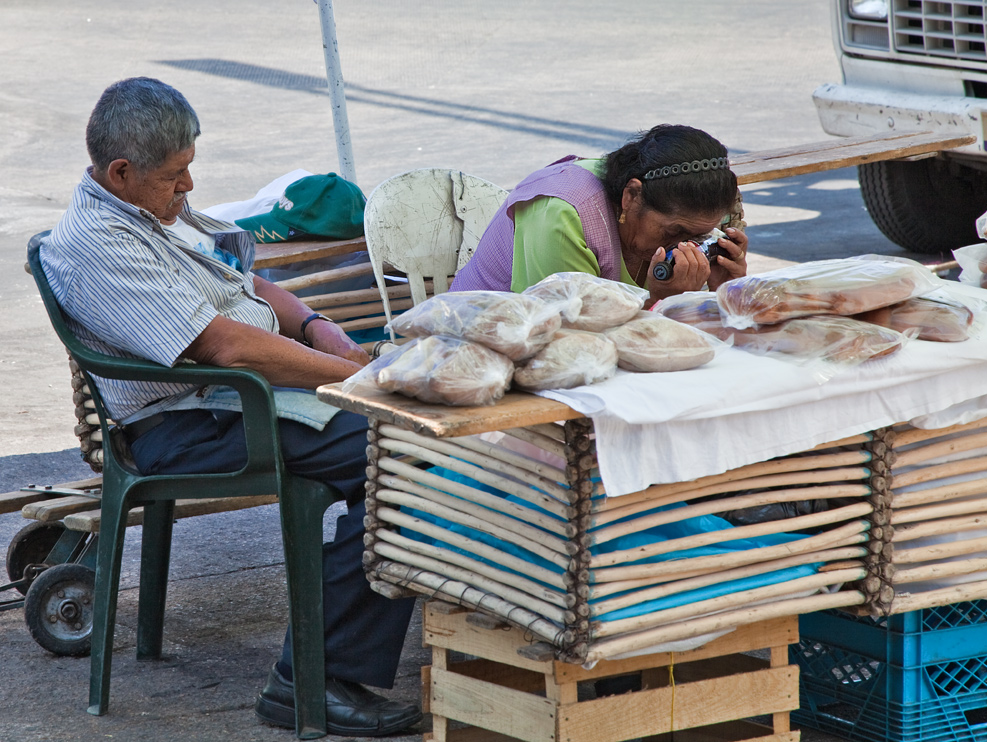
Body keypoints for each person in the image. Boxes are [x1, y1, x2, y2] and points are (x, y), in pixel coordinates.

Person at [40, 77, 421, 738]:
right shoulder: (100, 245)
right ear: (122, 172)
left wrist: (319, 327)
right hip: (189, 426)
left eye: (190, 170)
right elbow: (226, 347)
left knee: (413, 448)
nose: (188, 188)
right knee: (404, 456)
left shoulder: (147, 209)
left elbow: (244, 282)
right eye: (175, 176)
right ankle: (313, 681)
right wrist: (352, 378)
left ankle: (332, 659)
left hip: (235, 402)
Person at [450, 124, 749, 303]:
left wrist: (722, 291)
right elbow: (568, 338)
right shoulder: (561, 212)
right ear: (631, 196)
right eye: (674, 232)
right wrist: (666, 303)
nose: (683, 247)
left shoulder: (668, 224)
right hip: (480, 349)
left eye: (700, 237)